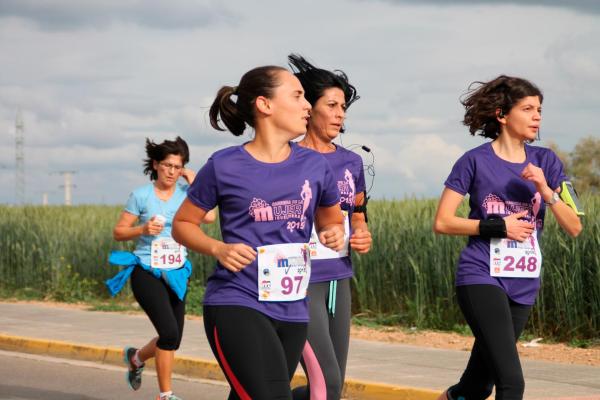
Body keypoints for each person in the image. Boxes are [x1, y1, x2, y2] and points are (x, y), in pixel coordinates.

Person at [172, 65, 346, 400]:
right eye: (297, 95)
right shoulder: (224, 165)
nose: (307, 105)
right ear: (264, 105)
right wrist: (218, 249)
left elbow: (331, 221)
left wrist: (333, 233)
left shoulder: (315, 166)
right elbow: (182, 224)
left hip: (294, 308)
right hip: (238, 301)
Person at [433, 76, 582, 400]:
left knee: (477, 386)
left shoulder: (547, 162)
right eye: (527, 109)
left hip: (524, 280)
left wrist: (546, 191)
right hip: (481, 275)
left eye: (539, 109)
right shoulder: (474, 161)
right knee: (512, 383)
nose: (537, 116)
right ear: (502, 114)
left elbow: (575, 227)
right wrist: (496, 227)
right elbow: (443, 222)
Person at [287, 54, 372, 400]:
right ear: (309, 107)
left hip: (340, 278)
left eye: (343, 107)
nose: (340, 114)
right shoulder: (287, 158)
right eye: (332, 105)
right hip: (302, 280)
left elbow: (359, 216)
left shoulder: (351, 161)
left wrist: (363, 233)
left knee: (331, 391)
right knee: (329, 383)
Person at [106, 136, 215, 400]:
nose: (171, 172)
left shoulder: (186, 195)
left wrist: (194, 182)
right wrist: (142, 229)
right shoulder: (141, 196)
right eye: (167, 165)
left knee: (173, 338)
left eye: (177, 167)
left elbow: (210, 217)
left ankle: (136, 358)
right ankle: (166, 395)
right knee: (168, 333)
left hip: (177, 271)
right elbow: (119, 232)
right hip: (146, 269)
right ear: (155, 165)